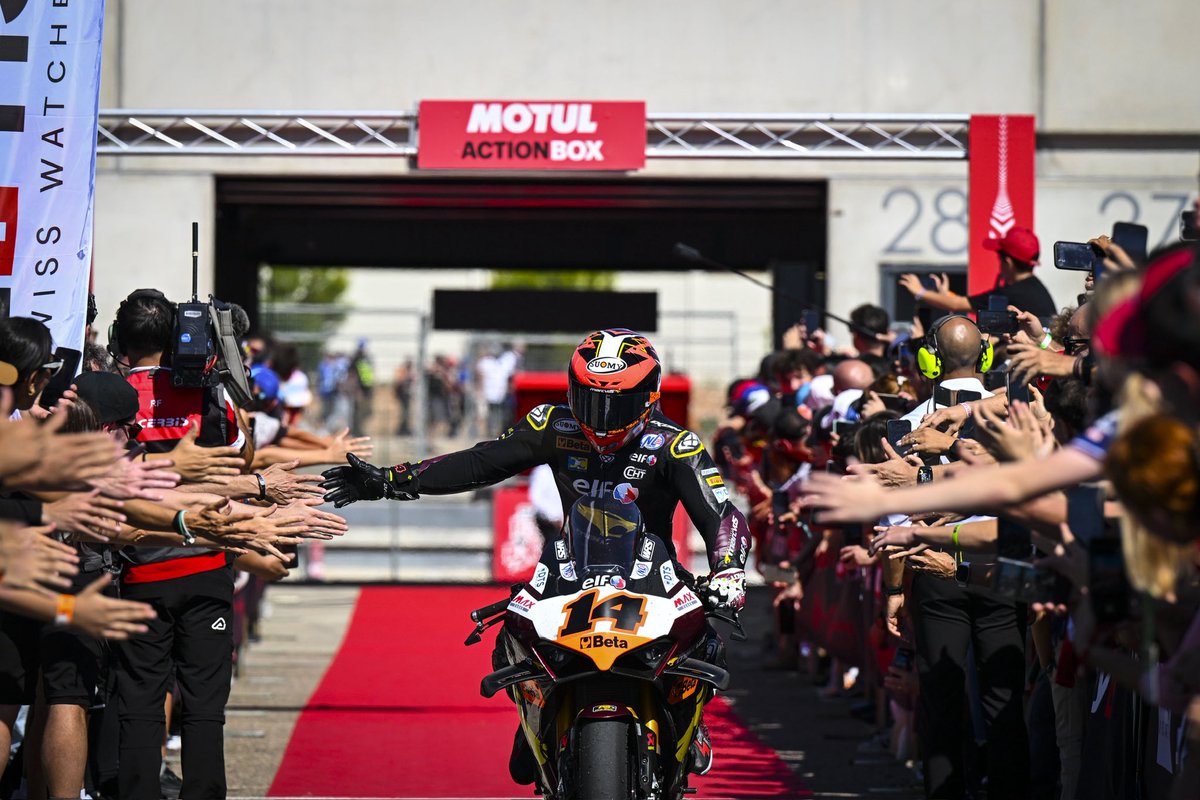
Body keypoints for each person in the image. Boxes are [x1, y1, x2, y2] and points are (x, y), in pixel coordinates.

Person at [321, 328, 751, 779]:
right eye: (589, 401)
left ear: (649, 397)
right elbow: (481, 461)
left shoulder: (676, 444)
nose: (601, 419)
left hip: (655, 572)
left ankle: (692, 723)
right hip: (570, 565)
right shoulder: (553, 424)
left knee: (706, 638)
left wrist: (728, 572)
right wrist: (393, 480)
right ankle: (535, 716)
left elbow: (722, 514)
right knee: (510, 636)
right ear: (571, 391)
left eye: (617, 404)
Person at [899, 226, 1057, 320]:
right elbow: (968, 302)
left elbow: (958, 304)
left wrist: (919, 291)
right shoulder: (1036, 289)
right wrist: (946, 294)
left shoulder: (1011, 294)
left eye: (998, 258)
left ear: (1008, 262)